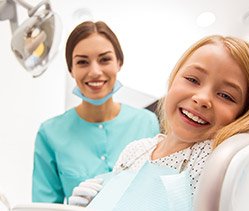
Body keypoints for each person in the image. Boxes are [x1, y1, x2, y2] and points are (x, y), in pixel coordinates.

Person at [68, 35, 249, 210]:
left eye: (226, 96)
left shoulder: (210, 160)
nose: (202, 98)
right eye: (192, 79)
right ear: (173, 79)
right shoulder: (135, 150)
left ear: (243, 114)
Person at [32, 21, 160, 203]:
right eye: (82, 62)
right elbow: (42, 207)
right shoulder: (50, 133)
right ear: (71, 70)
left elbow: (159, 195)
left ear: (119, 63)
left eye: (104, 59)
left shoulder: (147, 123)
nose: (95, 71)